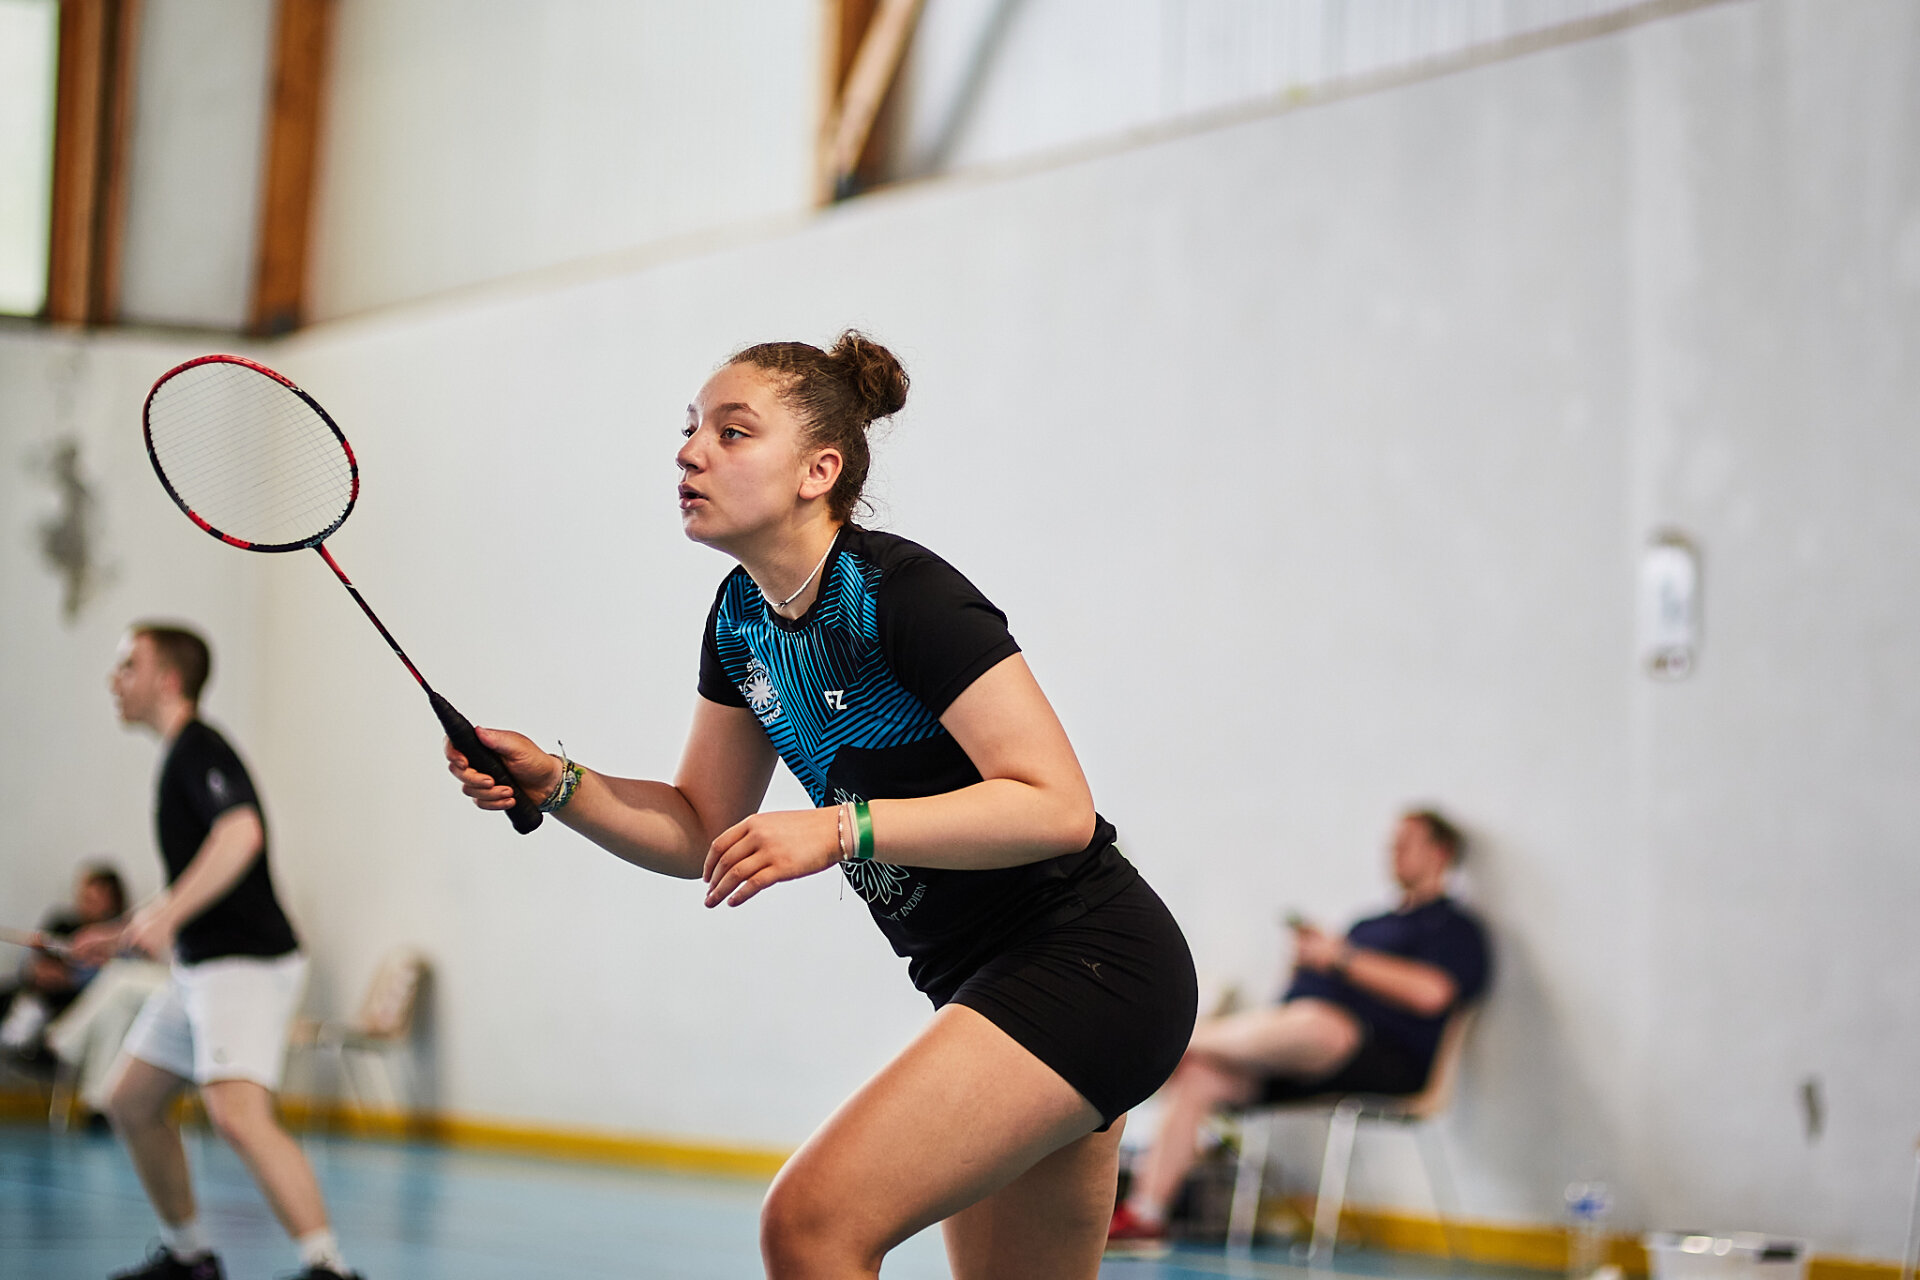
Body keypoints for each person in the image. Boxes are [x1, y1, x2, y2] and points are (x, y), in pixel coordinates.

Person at [446, 331, 1198, 1280]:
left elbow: (1056, 808)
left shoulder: (901, 594)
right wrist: (558, 783)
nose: (690, 451)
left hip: (1089, 963)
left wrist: (841, 830)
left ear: (819, 471)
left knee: (809, 1225)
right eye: (690, 429)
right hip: (982, 982)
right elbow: (699, 825)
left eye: (731, 432)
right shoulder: (740, 621)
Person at [71, 625, 362, 1280]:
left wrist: (165, 917)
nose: (115, 679)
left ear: (168, 679)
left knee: (237, 1115)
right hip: (201, 966)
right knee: (131, 1101)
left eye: (129, 665)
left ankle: (329, 1268)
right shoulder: (179, 756)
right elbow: (196, 874)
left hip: (244, 964)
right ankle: (190, 1257)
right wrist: (122, 931)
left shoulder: (201, 747)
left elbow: (241, 835)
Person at [1107, 808, 1491, 1253]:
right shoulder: (1367, 926)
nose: (1394, 852)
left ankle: (1166, 1039)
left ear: (1441, 852)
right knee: (1201, 1072)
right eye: (1392, 844)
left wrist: (1339, 959)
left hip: (1385, 1060)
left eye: (1407, 843)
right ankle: (1146, 1215)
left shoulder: (1455, 928)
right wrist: (1307, 964)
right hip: (1309, 1052)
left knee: (1315, 1022)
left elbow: (1432, 994)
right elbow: (1292, 1005)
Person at [0, 862, 126, 1062]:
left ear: (112, 900)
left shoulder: (119, 935)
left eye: (93, 900)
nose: (85, 905)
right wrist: (35, 968)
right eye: (84, 898)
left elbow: (116, 974)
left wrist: (70, 978)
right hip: (37, 989)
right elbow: (31, 953)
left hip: (77, 999)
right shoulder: (63, 923)